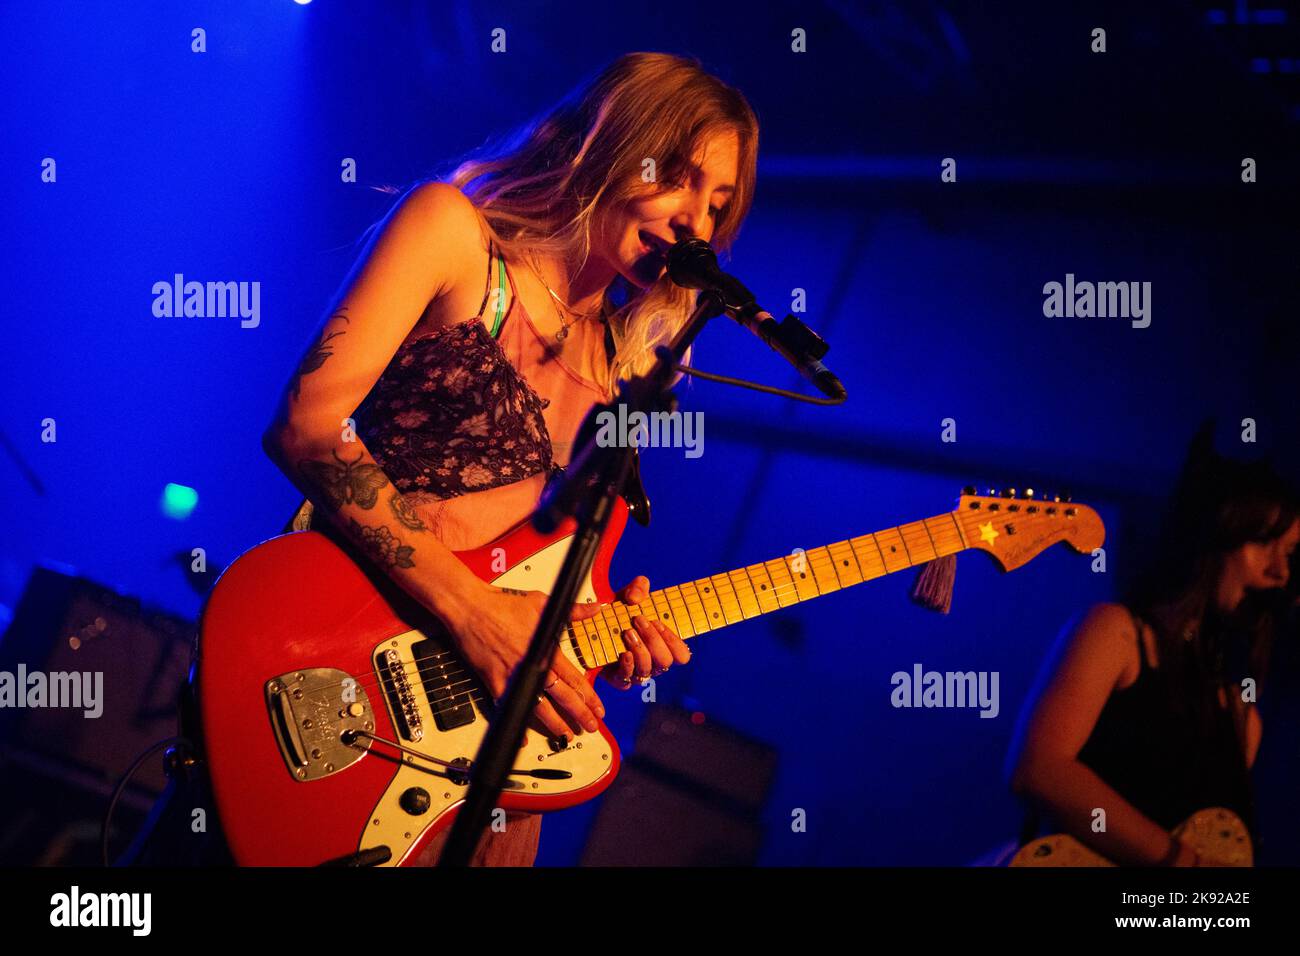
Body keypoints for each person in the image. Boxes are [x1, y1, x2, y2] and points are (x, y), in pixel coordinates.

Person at [259, 52, 760, 865]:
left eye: (719, 204)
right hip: (339, 678)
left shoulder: (629, 365)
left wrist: (603, 625)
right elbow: (308, 427)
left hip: (491, 762)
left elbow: (536, 572)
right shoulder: (453, 232)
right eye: (678, 176)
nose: (694, 223)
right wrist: (474, 612)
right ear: (607, 140)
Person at [1007, 423, 1299, 866]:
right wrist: (1180, 862)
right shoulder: (1116, 635)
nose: (1280, 572)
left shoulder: (1245, 719)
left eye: (1291, 554)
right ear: (1213, 537)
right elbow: (1040, 768)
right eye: (1263, 543)